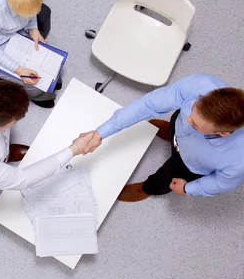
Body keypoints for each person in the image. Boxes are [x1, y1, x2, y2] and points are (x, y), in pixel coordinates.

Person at [0, 68, 94, 238]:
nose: (14, 124)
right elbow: (24, 179)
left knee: (1, 148)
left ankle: (3, 157)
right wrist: (74, 149)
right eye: (13, 122)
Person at [79, 74, 244, 201]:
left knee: (164, 178)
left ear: (224, 133)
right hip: (177, 131)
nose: (188, 120)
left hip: (188, 165)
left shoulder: (238, 161)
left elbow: (220, 183)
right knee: (176, 123)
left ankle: (147, 188)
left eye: (196, 125)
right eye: (192, 110)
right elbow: (149, 104)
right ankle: (171, 133)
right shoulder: (201, 84)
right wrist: (100, 133)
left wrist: (188, 189)